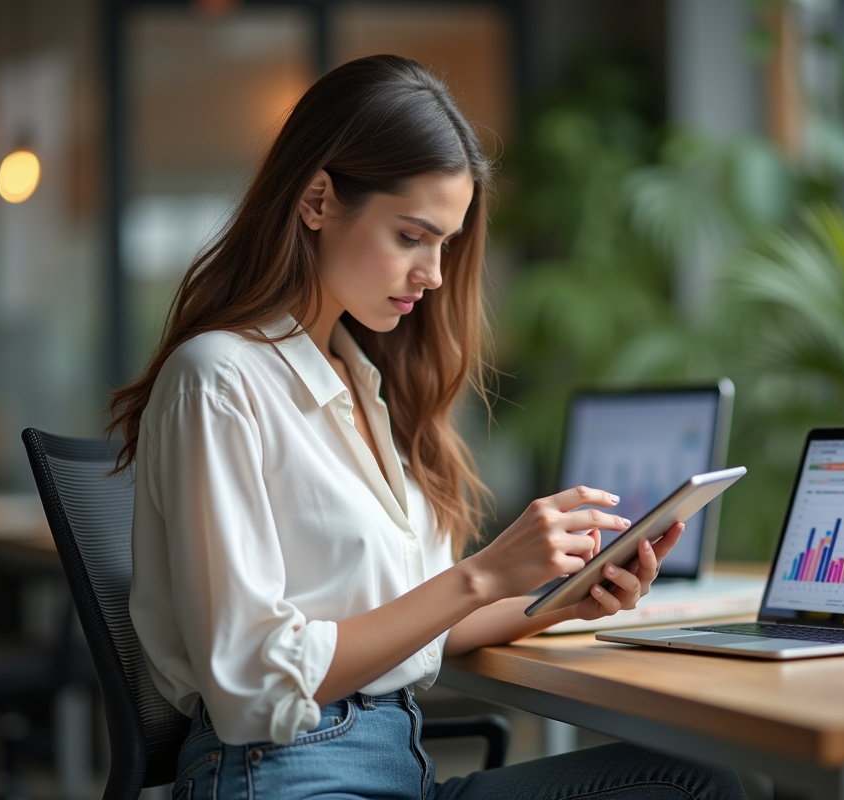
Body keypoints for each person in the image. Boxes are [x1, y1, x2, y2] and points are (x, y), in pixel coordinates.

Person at [110, 54, 746, 800]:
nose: (435, 274)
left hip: (397, 768)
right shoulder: (219, 380)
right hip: (283, 773)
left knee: (690, 783)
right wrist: (479, 575)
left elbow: (412, 630)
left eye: (444, 242)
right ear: (317, 199)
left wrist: (557, 598)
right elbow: (252, 685)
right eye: (412, 236)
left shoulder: (365, 385)